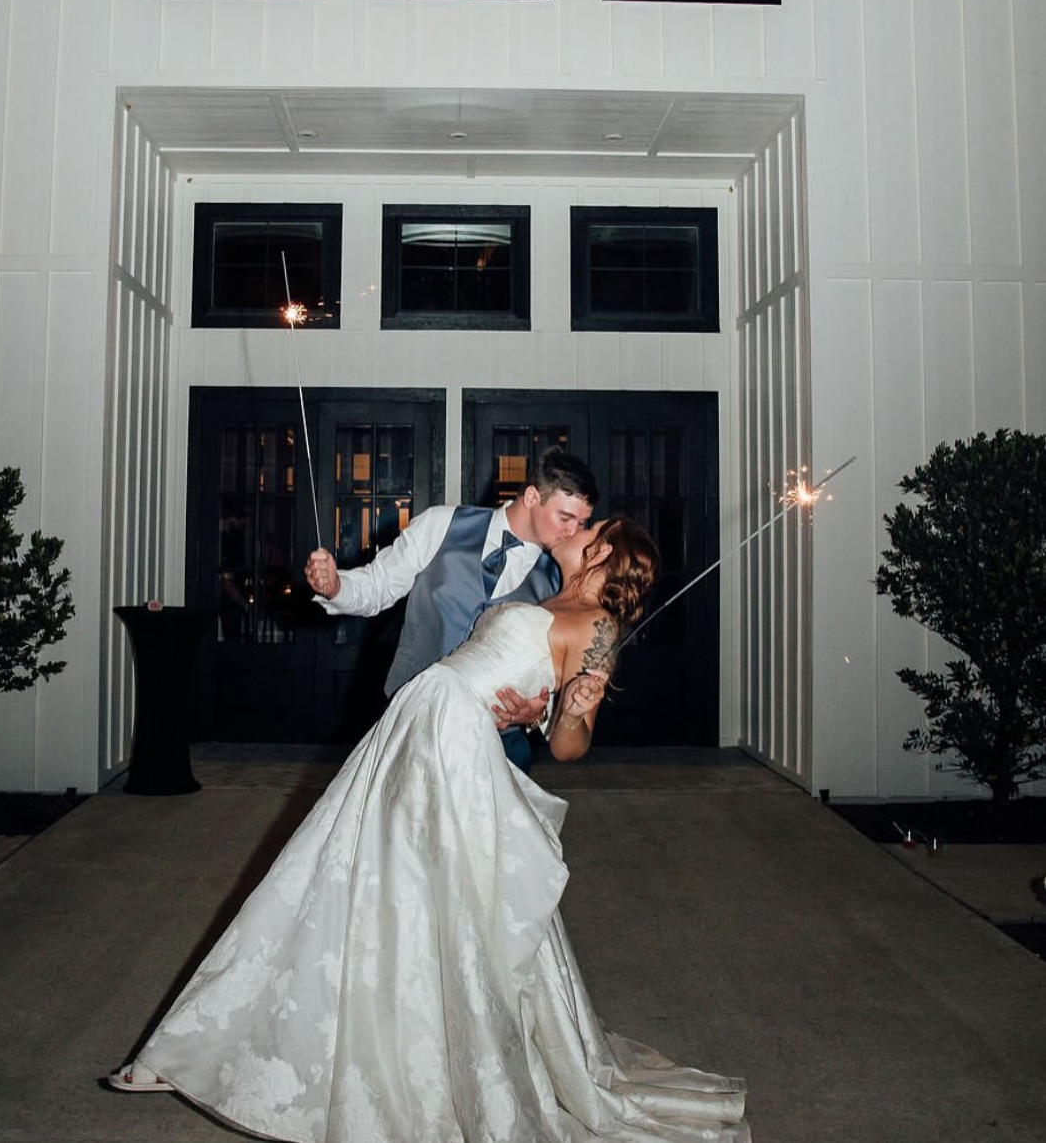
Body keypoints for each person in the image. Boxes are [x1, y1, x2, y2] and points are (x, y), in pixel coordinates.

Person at [108, 518, 751, 1143]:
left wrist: (573, 713)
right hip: (416, 722)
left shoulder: (599, 626)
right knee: (334, 869)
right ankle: (200, 1042)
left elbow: (568, 745)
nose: (576, 528)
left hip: (454, 744)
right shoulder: (545, 596)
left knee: (415, 897)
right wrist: (528, 709)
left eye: (590, 527)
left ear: (605, 553)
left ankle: (252, 1054)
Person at [304, 446, 598, 773]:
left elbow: (555, 676)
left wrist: (537, 714)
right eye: (565, 518)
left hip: (498, 751)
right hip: (412, 727)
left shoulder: (558, 581)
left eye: (582, 522)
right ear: (531, 497)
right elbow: (378, 586)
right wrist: (335, 587)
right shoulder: (442, 523)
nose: (573, 532)